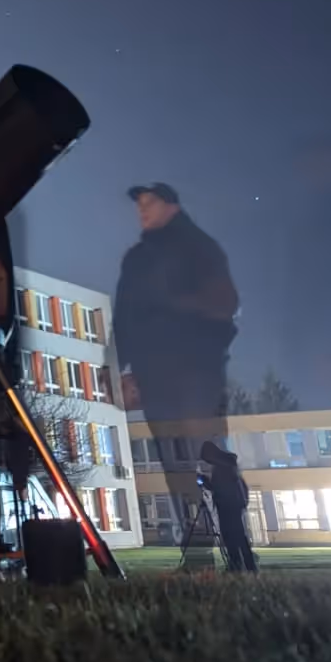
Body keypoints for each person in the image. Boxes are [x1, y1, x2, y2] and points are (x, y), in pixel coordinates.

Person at [114, 183, 239, 422]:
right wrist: (114, 366)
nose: (142, 210)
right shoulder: (136, 259)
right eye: (140, 205)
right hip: (152, 377)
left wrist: (172, 307)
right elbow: (124, 316)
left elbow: (226, 303)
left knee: (200, 436)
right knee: (170, 439)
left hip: (195, 371)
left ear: (172, 207)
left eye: (151, 202)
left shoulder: (199, 247)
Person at [200, 440, 257, 573]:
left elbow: (222, 488)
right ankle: (244, 565)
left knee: (233, 536)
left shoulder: (223, 467)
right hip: (232, 505)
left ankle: (239, 565)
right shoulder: (228, 464)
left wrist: (207, 484)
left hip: (228, 506)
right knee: (237, 536)